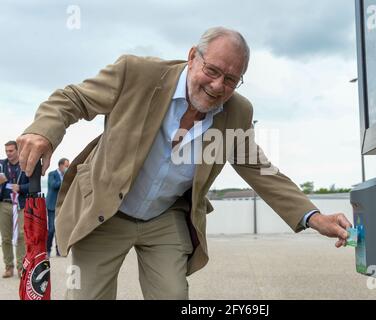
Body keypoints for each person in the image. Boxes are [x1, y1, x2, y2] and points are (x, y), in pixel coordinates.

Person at [16, 27, 352, 299]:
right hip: (107, 210)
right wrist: (43, 131)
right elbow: (72, 98)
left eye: (232, 80)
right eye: (212, 70)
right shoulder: (137, 74)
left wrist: (313, 216)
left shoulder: (238, 112)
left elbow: (259, 169)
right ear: (193, 57)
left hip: (165, 217)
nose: (219, 86)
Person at [0, 141, 29, 278]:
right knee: (6, 238)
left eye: (11, 151)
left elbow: (34, 185)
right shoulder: (1, 164)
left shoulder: (25, 165)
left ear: (18, 150)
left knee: (22, 236)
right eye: (6, 151)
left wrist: (21, 188)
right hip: (4, 204)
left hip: (20, 204)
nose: (8, 153)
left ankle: (20, 267)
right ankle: (8, 267)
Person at [46, 158, 70, 257]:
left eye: (68, 166)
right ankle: (47, 250)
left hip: (63, 205)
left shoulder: (68, 176)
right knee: (51, 229)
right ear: (60, 165)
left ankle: (59, 250)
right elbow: (53, 185)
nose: (67, 168)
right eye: (66, 166)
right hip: (52, 205)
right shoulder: (52, 174)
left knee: (60, 229)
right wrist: (64, 178)